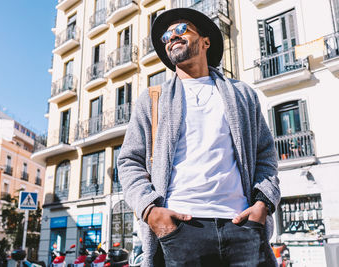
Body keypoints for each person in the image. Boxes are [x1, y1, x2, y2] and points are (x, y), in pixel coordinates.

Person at [117, 8, 280, 267]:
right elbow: (129, 162)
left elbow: (265, 155)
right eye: (166, 37)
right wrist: (151, 211)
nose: (172, 37)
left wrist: (263, 204)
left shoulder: (242, 94)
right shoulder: (153, 98)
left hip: (242, 227)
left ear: (206, 41)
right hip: (180, 228)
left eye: (180, 29)